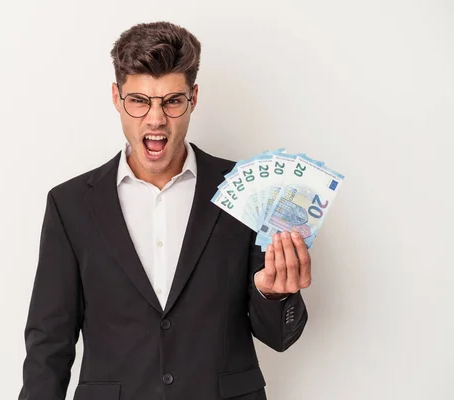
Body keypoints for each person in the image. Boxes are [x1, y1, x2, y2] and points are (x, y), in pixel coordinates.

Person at [18, 21, 311, 400]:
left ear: (193, 97)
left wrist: (273, 295)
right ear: (116, 97)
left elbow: (279, 337)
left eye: (172, 101)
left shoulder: (248, 192)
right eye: (139, 100)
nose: (155, 119)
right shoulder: (70, 204)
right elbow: (48, 343)